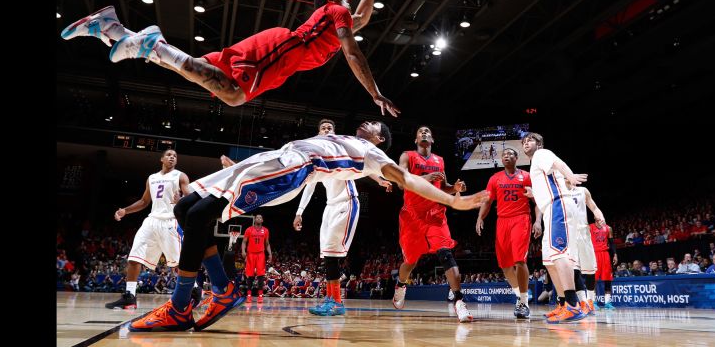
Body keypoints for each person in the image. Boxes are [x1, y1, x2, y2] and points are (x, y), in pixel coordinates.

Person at [128, 121, 488, 332]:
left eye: (376, 127)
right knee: (186, 210)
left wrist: (453, 201)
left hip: (294, 166)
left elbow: (407, 179)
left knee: (197, 215)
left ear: (380, 140)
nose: (368, 123)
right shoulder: (339, 137)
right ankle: (222, 290)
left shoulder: (374, 155)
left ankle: (179, 307)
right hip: (274, 156)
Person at [61, 0, 399, 117]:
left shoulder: (338, 16)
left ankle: (111, 27)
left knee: (193, 71)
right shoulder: (333, 10)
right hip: (284, 50)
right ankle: (152, 42)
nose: (350, 8)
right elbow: (353, 53)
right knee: (234, 94)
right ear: (331, 2)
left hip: (281, 55)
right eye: (345, 1)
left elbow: (364, 16)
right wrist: (375, 92)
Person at [294, 118, 393, 316]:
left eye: (330, 127)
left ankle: (337, 302)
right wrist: (299, 212)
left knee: (332, 256)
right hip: (330, 206)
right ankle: (331, 299)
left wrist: (380, 179)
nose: (327, 129)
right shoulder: (317, 155)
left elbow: (363, 163)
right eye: (323, 127)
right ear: (318, 132)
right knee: (327, 257)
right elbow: (309, 185)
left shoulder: (341, 147)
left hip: (346, 202)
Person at [390, 126, 473, 323]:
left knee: (446, 253)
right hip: (412, 216)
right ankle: (401, 284)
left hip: (435, 214)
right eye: (420, 131)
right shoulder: (407, 156)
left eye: (428, 131)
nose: (424, 133)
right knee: (410, 261)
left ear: (433, 140)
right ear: (416, 139)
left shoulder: (439, 160)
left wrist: (455, 188)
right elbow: (401, 182)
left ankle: (460, 301)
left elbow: (442, 188)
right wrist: (425, 178)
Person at [105, 150, 198, 310]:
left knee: (178, 264)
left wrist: (181, 200)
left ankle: (195, 290)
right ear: (162, 158)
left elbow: (192, 198)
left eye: (175, 155)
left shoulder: (180, 176)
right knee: (134, 257)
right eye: (169, 155)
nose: (172, 157)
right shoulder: (152, 178)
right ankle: (130, 296)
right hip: (151, 221)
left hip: (170, 221)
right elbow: (143, 201)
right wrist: (125, 211)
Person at [521, 132, 588, 323]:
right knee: (549, 260)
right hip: (550, 208)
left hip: (558, 204)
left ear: (539, 143)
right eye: (524, 142)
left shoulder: (541, 154)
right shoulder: (536, 163)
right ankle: (562, 304)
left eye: (530, 140)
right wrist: (533, 192)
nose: (526, 143)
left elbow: (559, 164)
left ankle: (573, 305)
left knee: (559, 254)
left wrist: (571, 177)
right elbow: (550, 183)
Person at [476, 148, 542, 319]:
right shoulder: (495, 178)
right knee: (505, 265)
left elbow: (537, 201)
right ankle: (520, 296)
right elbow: (488, 201)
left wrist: (537, 221)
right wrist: (479, 218)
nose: (506, 156)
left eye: (510, 154)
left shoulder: (526, 176)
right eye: (504, 154)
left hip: (521, 218)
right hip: (502, 221)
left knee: (519, 260)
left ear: (516, 158)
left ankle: (524, 302)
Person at [564, 177, 607, 315]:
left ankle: (590, 301)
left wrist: (599, 216)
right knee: (574, 269)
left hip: (584, 232)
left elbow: (594, 207)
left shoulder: (583, 190)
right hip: (568, 233)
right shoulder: (559, 192)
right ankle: (582, 302)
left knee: (589, 270)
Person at [242, 215, 271, 303]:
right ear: (255, 220)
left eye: (260, 218)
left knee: (261, 276)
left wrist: (270, 253)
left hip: (261, 254)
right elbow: (244, 242)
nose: (258, 218)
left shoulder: (265, 230)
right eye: (257, 217)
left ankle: (260, 296)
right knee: (250, 275)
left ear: (262, 220)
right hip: (250, 254)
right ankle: (249, 295)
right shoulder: (249, 229)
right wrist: (243, 251)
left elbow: (267, 244)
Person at [590, 219, 617, 309]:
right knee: (593, 279)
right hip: (594, 254)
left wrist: (615, 255)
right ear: (594, 217)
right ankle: (593, 302)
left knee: (608, 278)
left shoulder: (608, 228)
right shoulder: (589, 227)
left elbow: (612, 243)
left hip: (605, 253)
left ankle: (607, 302)